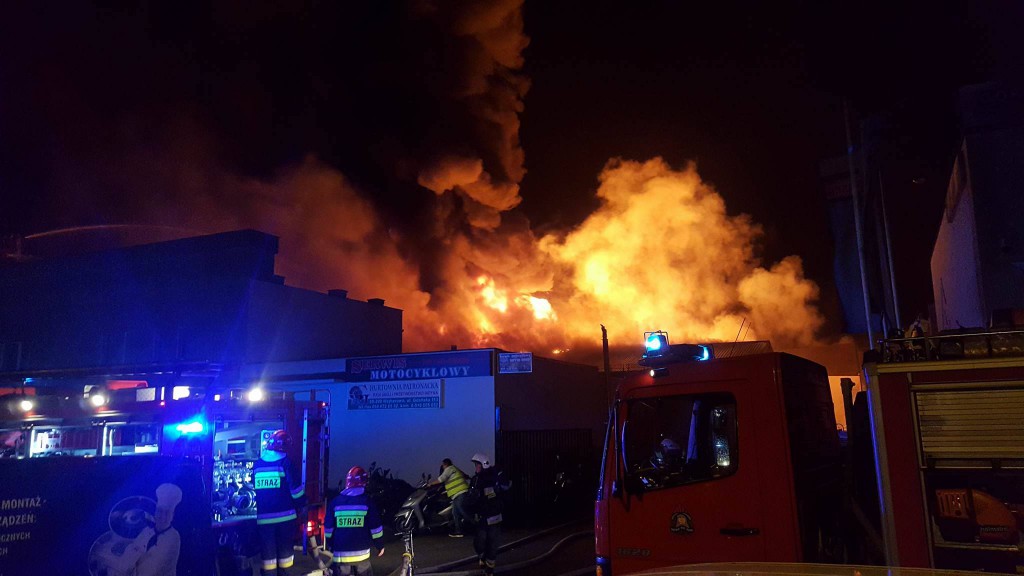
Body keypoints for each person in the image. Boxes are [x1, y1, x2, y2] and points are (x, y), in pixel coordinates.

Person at [253, 430, 305, 576]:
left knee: (268, 558)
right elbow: (296, 491)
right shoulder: (285, 463)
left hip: (264, 520)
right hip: (285, 519)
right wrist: (302, 504)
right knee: (285, 558)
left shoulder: (258, 465)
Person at [325, 466, 385, 576]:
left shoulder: (335, 502)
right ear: (364, 482)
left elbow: (328, 530)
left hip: (340, 557)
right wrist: (379, 545)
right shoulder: (367, 502)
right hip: (362, 557)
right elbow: (376, 529)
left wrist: (332, 545)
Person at [467, 453, 504, 576]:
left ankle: (489, 570)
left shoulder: (494, 478)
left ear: (484, 465)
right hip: (482, 517)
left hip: (493, 517)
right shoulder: (475, 479)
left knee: (493, 544)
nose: (476, 467)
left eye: (477, 465)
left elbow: (502, 491)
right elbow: (471, 498)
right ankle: (482, 557)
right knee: (479, 542)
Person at [429, 458, 470, 537]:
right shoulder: (454, 468)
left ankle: (475, 524)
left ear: (445, 464)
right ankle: (458, 531)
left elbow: (441, 479)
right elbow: (464, 474)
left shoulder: (449, 469)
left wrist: (430, 484)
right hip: (457, 494)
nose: (442, 466)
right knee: (455, 513)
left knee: (461, 510)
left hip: (460, 492)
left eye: (443, 465)